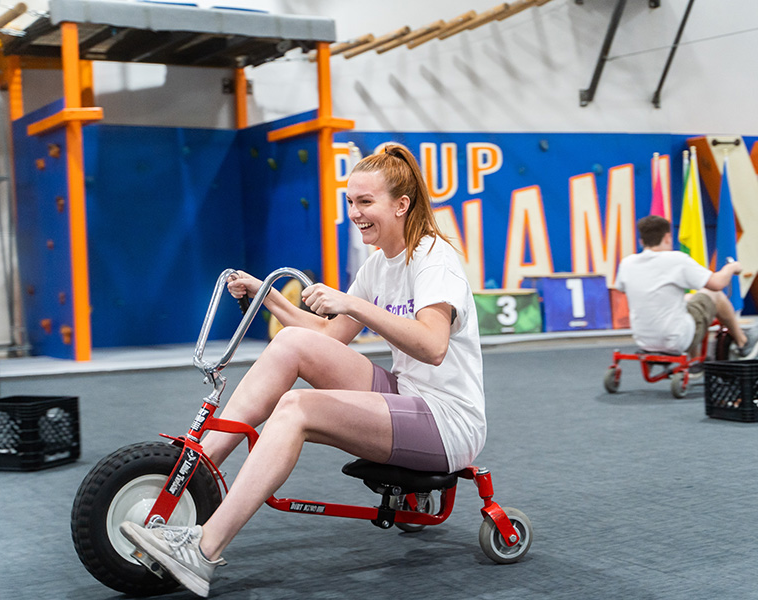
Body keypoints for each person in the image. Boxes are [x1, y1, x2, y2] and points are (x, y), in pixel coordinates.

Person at [120, 144, 486, 597]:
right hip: (407, 394)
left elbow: (433, 346)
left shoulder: (434, 258)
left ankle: (203, 551)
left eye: (366, 202)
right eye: (350, 202)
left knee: (295, 408)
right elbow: (325, 337)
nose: (355, 212)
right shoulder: (378, 264)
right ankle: (190, 478)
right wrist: (264, 296)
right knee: (292, 342)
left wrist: (352, 303)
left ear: (401, 205)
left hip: (447, 421)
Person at [614, 215, 758, 362]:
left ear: (642, 240)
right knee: (714, 294)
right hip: (676, 340)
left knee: (688, 299)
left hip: (644, 341)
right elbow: (717, 283)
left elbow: (622, 288)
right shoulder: (676, 260)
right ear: (667, 237)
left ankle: (695, 361)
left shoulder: (627, 263)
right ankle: (743, 341)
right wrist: (731, 268)